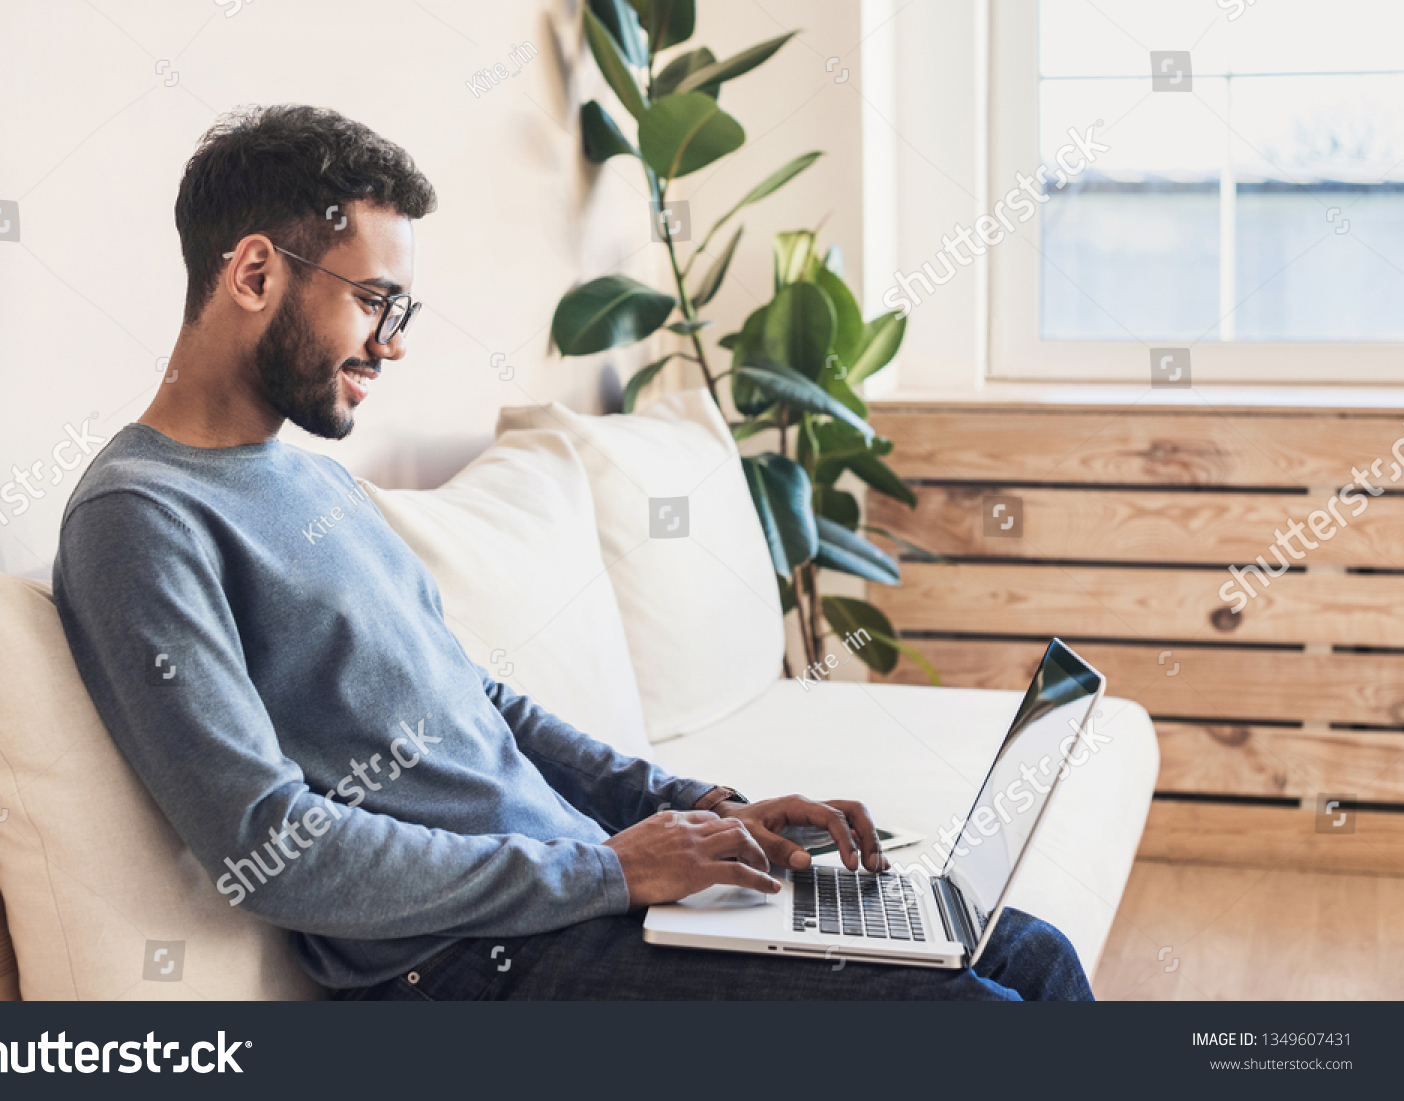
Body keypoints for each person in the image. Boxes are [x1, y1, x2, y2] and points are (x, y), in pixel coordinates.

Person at [53, 104, 1091, 1001]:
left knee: (1025, 950)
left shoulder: (316, 479)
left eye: (399, 309)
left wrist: (694, 810)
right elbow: (271, 847)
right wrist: (608, 871)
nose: (395, 342)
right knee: (974, 1010)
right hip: (467, 969)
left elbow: (482, 707)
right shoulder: (139, 520)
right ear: (252, 272)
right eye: (375, 301)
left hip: (577, 903)